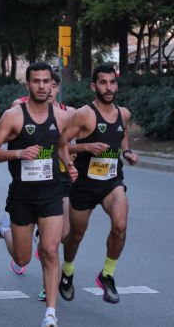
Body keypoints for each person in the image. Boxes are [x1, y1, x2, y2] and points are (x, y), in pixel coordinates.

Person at [0, 62, 77, 327]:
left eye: (45, 81)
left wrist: (69, 165)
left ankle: (50, 314)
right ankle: (4, 231)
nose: (41, 86)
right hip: (22, 195)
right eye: (35, 81)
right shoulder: (14, 116)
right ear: (28, 84)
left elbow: (62, 145)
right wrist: (17, 153)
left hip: (51, 192)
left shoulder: (61, 117)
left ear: (52, 85)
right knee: (23, 257)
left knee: (50, 248)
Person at [57, 64, 138, 305]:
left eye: (112, 82)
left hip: (112, 181)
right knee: (75, 236)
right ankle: (68, 271)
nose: (109, 87)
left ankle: (107, 275)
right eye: (103, 83)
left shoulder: (123, 113)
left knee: (120, 225)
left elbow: (122, 133)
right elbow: (60, 145)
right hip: (84, 184)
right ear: (94, 86)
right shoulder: (84, 114)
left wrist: (128, 151)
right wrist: (84, 148)